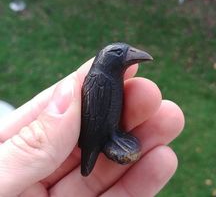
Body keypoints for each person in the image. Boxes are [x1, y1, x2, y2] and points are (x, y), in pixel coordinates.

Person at [0, 58, 185, 197]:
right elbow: (95, 116)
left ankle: (110, 139)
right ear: (111, 58)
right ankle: (104, 144)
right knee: (88, 165)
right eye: (121, 55)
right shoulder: (99, 79)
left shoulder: (110, 77)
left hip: (108, 130)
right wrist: (94, 142)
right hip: (97, 132)